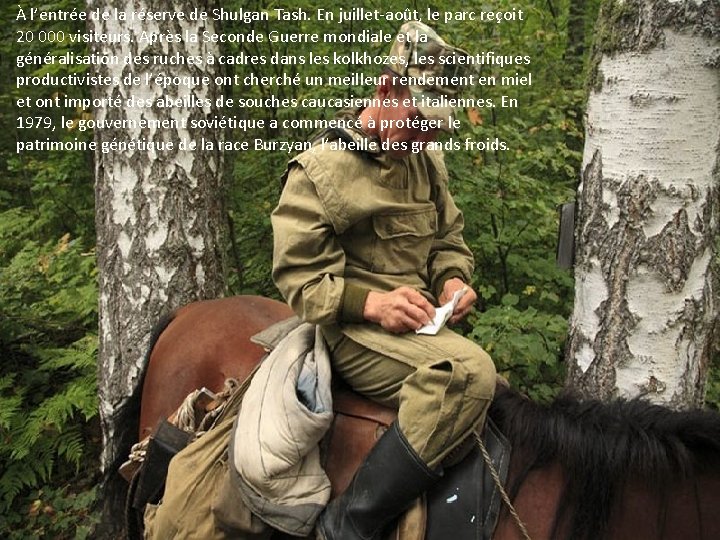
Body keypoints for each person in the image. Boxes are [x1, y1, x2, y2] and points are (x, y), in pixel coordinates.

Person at [271, 21, 496, 540]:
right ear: (387, 89)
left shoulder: (425, 161)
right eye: (418, 121)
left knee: (500, 400)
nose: (423, 138)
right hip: (350, 330)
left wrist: (452, 281)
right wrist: (373, 305)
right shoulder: (320, 171)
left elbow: (448, 240)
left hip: (415, 326)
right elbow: (301, 282)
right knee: (468, 376)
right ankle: (346, 526)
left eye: (435, 129)